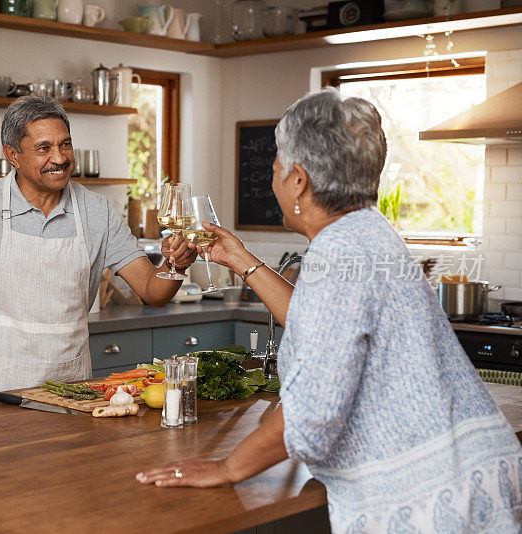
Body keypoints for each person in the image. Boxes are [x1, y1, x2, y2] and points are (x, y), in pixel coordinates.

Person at [136, 88, 522, 533]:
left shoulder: (337, 255)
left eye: (277, 166)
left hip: (431, 494)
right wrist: (240, 259)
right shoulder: (368, 233)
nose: (275, 175)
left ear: (299, 180)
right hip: (471, 471)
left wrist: (230, 467)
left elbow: (313, 409)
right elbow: (321, 323)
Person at [0, 95, 197, 416]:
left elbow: (154, 292)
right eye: (44, 148)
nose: (59, 157)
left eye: (65, 145)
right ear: (13, 155)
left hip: (74, 389)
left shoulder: (96, 211)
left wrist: (175, 265)